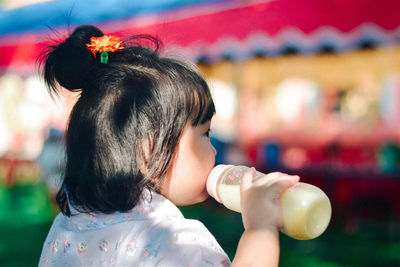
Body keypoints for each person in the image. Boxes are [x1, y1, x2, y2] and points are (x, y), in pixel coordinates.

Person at [38, 25, 299, 267]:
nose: (214, 150)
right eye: (205, 133)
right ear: (148, 150)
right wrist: (260, 229)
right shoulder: (176, 242)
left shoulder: (66, 229)